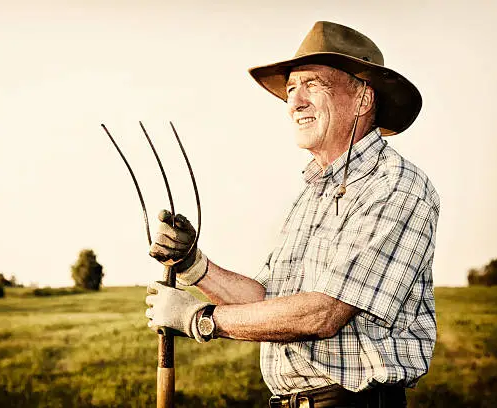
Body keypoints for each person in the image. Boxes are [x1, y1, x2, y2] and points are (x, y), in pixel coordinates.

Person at [145, 21, 439, 408]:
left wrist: (203, 319)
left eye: (313, 85)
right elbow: (266, 299)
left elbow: (324, 312)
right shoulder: (312, 193)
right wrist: (193, 264)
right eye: (290, 89)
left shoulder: (396, 185)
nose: (295, 102)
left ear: (363, 99)